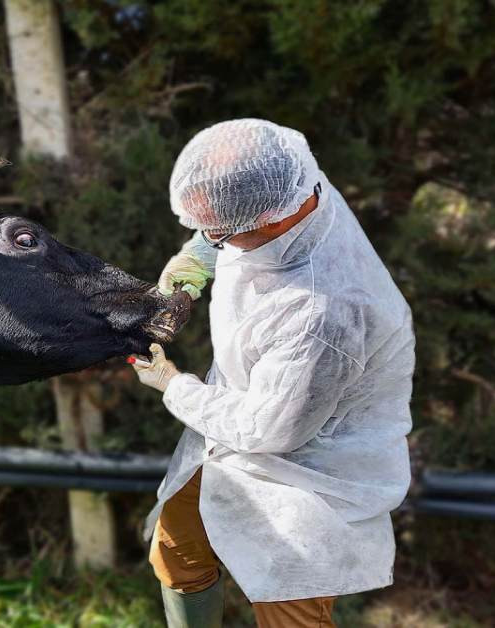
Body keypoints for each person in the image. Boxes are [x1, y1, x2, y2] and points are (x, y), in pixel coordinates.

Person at [130, 119, 414, 628]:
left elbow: (269, 430)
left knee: (289, 612)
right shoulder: (292, 182)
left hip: (312, 476)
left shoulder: (328, 312)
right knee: (175, 554)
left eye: (218, 232)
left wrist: (174, 385)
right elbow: (224, 220)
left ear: (268, 215)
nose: (211, 239)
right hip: (233, 430)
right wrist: (193, 266)